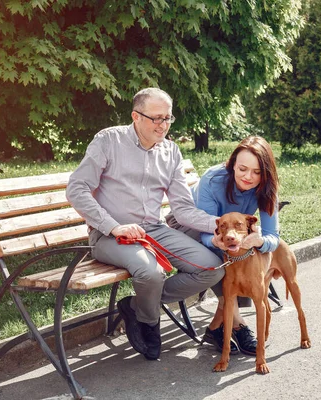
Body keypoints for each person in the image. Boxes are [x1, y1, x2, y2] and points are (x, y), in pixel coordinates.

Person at [66, 87, 228, 361]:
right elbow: (77, 189)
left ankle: (138, 306)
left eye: (167, 118)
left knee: (213, 268)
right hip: (109, 235)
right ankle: (150, 323)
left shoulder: (171, 152)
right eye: (156, 118)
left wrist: (220, 225)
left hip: (153, 230)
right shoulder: (108, 141)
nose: (163, 125)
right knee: (151, 273)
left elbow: (183, 209)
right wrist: (113, 226)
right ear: (136, 116)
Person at [167, 135, 281, 355]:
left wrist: (260, 242)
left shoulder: (267, 189)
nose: (249, 176)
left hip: (229, 232)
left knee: (245, 258)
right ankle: (238, 325)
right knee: (228, 261)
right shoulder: (214, 179)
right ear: (232, 165)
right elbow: (204, 231)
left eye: (257, 172)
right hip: (188, 225)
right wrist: (218, 241)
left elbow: (272, 236)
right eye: (243, 169)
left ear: (265, 173)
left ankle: (217, 327)